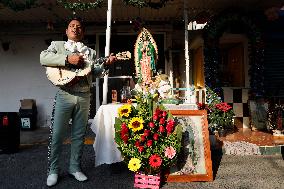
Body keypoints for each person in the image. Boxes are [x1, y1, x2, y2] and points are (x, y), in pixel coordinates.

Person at [40, 17, 116, 187]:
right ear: (66, 31)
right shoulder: (57, 46)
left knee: (79, 135)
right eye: (72, 26)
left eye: (79, 27)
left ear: (83, 32)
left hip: (84, 96)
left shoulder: (91, 52)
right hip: (64, 93)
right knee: (57, 134)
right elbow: (43, 58)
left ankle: (75, 168)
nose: (75, 28)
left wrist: (106, 64)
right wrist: (68, 60)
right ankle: (53, 170)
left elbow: (93, 72)